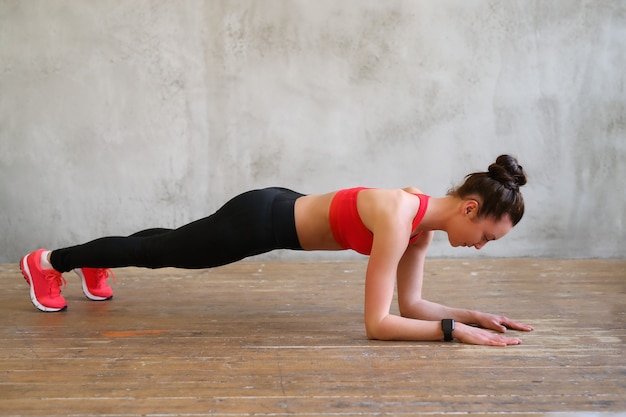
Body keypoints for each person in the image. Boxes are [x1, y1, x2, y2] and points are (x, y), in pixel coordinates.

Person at [20, 154, 533, 346]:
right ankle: (49, 262)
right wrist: (451, 334)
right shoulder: (401, 221)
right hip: (260, 221)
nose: (481, 247)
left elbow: (411, 307)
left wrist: (473, 316)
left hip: (273, 210)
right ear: (470, 208)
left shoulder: (417, 224)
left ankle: (93, 259)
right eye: (488, 235)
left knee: (167, 243)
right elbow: (377, 325)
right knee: (166, 251)